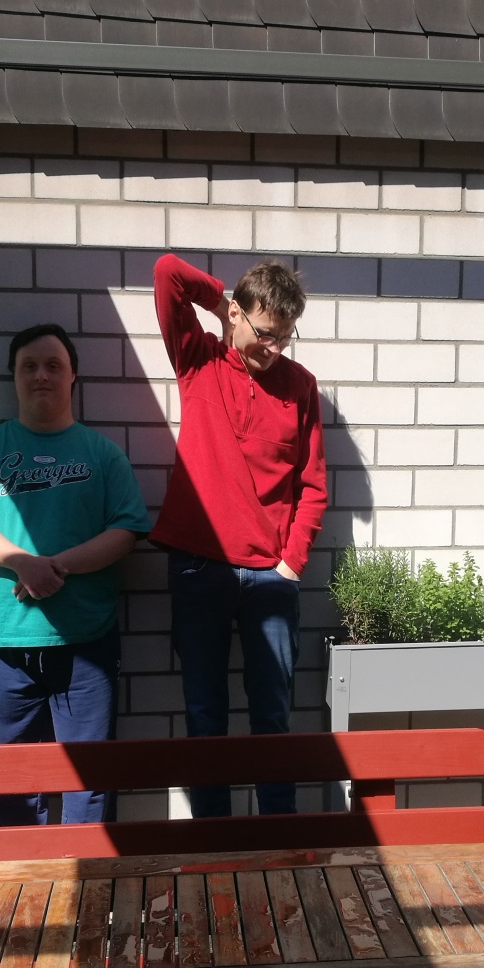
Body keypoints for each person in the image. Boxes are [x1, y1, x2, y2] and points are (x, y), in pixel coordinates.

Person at [0, 323, 150, 826]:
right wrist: (21, 562)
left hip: (86, 645)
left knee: (89, 786)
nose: (41, 376)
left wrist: (57, 567)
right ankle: (25, 879)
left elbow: (126, 531)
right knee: (10, 789)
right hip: (4, 645)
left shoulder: (102, 454)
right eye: (29, 366)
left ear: (73, 376)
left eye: (54, 365)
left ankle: (87, 878)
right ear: (13, 376)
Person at [151, 253, 328, 817]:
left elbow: (313, 485)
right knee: (205, 716)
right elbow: (167, 273)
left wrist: (291, 564)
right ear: (237, 315)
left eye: (285, 337)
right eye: (265, 333)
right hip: (199, 566)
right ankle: (216, 844)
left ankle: (277, 842)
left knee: (272, 716)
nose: (273, 348)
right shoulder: (198, 360)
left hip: (270, 577)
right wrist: (218, 299)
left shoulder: (300, 387)